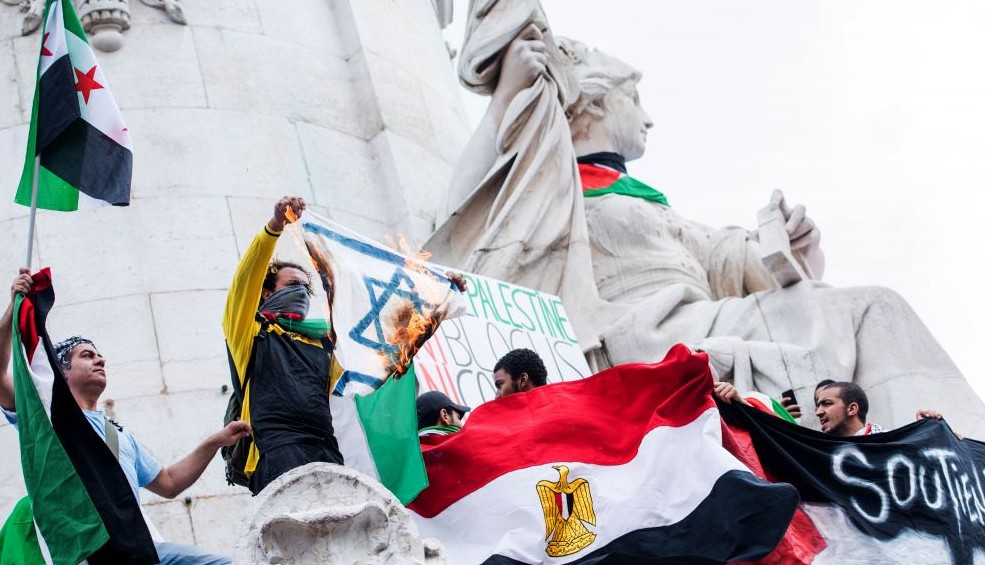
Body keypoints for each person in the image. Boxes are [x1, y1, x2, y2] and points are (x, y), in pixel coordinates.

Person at [426, 1, 985, 437]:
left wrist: (785, 245)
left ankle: (949, 457)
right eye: (633, 97)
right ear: (593, 103)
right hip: (650, 338)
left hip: (707, 320)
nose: (647, 116)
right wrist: (507, 102)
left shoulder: (639, 197)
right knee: (872, 307)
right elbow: (467, 224)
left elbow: (719, 255)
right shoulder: (552, 190)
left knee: (873, 306)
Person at [0, 270, 248, 564]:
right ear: (62, 370)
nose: (100, 359)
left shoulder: (119, 435)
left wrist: (217, 441)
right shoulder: (47, 419)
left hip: (136, 547)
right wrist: (11, 310)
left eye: (99, 355)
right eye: (87, 355)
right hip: (88, 551)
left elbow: (168, 483)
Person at [223, 196, 345, 495]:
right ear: (265, 293)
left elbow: (379, 361)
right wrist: (274, 227)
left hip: (327, 451)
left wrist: (436, 304)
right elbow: (245, 279)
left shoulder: (325, 343)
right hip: (277, 451)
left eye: (306, 287)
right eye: (292, 285)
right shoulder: (250, 332)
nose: (301, 292)